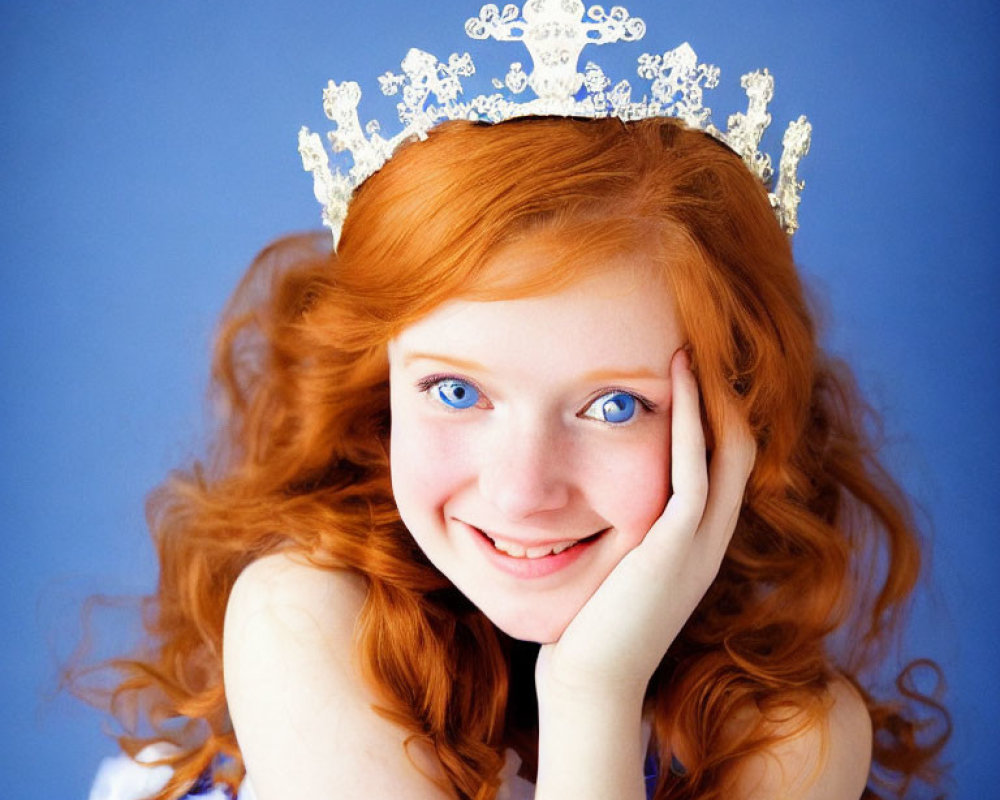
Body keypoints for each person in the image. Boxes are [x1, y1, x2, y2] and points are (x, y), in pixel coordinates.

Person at [88, 7, 948, 800]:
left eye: (615, 407)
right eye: (455, 391)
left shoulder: (791, 739)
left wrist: (592, 695)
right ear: (379, 383)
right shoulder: (304, 621)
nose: (522, 491)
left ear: (734, 423)